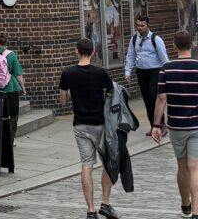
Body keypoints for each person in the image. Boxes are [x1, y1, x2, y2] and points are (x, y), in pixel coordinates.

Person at [59, 38, 117, 219]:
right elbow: (112, 93)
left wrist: (73, 92)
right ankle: (105, 203)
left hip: (80, 124)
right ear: (93, 52)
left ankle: (91, 210)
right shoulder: (100, 73)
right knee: (107, 163)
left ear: (76, 51)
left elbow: (62, 101)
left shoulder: (67, 73)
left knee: (86, 165)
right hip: (100, 123)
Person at [153, 31, 198, 219]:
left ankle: (186, 206)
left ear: (174, 46)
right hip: (197, 125)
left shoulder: (166, 68)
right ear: (192, 46)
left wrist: (156, 124)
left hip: (176, 126)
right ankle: (196, 211)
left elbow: (161, 98)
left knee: (182, 167)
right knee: (195, 167)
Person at [123, 12, 169, 135]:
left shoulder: (156, 39)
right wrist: (128, 71)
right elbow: (131, 56)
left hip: (155, 71)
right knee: (147, 100)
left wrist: (168, 74)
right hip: (141, 73)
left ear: (147, 25)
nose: (140, 28)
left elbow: (164, 59)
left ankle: (161, 126)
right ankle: (153, 126)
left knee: (154, 97)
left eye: (142, 25)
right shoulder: (134, 39)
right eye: (138, 25)